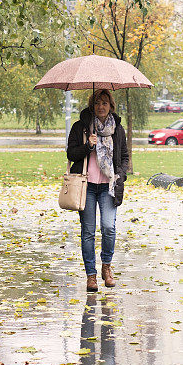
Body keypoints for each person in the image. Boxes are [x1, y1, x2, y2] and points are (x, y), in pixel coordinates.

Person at [66, 89, 130, 292]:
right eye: (97, 103)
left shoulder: (117, 129)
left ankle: (106, 267)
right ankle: (91, 276)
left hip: (109, 186)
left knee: (109, 227)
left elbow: (124, 157)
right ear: (92, 106)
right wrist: (87, 146)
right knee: (88, 232)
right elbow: (70, 153)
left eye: (104, 103)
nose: (101, 106)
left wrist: (120, 174)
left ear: (110, 105)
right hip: (87, 187)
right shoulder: (81, 127)